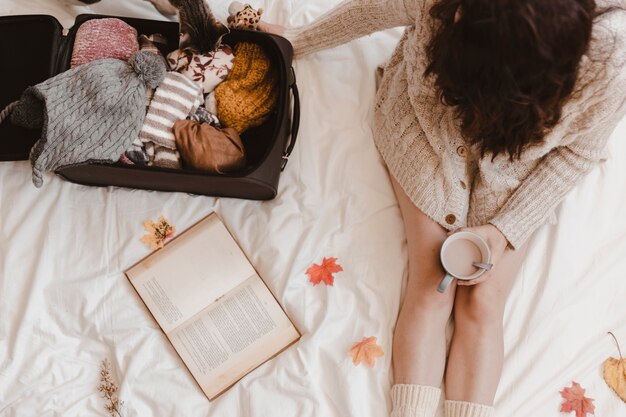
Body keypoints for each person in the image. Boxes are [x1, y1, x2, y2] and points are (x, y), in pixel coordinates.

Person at [260, 1, 626, 416]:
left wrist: (505, 230)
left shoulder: (609, 62)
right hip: (427, 131)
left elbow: (576, 155)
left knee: (483, 302)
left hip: (516, 163)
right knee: (432, 280)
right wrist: (296, 40)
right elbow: (375, 10)